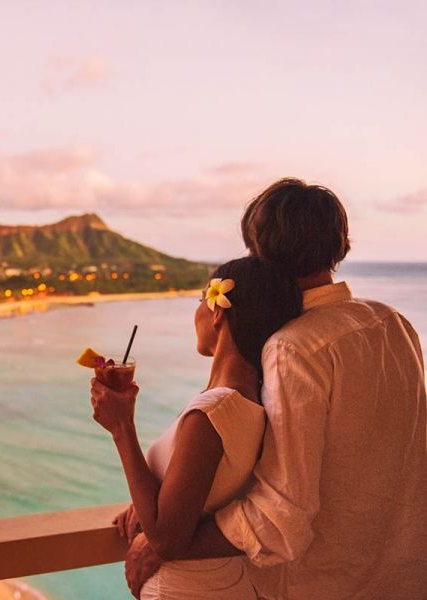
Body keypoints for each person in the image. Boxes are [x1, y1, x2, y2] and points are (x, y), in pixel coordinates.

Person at [121, 178, 427, 599]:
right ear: (339, 246)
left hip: (323, 585)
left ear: (259, 253)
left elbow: (283, 514)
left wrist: (168, 542)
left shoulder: (292, 348)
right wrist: (169, 499)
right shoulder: (393, 324)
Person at [91, 256, 303, 599]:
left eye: (199, 301)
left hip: (189, 589)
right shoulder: (252, 400)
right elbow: (201, 495)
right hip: (222, 582)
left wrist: (122, 428)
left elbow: (166, 539)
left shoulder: (211, 413)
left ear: (218, 312)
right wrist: (146, 501)